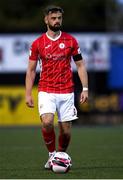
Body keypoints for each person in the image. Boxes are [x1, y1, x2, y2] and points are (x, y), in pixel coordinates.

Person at [25, 5, 88, 169]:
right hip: (46, 90)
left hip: (66, 90)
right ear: (46, 20)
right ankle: (52, 155)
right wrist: (28, 94)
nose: (57, 21)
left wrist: (85, 88)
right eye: (53, 18)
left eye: (59, 18)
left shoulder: (71, 41)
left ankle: (60, 156)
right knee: (46, 122)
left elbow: (80, 66)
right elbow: (31, 71)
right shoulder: (38, 43)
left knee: (66, 132)